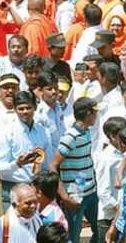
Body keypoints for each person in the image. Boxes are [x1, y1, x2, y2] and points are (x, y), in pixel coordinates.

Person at [50, 97, 100, 243]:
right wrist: (65, 196)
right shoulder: (69, 137)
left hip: (90, 191)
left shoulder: (86, 132)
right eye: (94, 113)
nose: (96, 116)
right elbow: (53, 165)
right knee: (74, 236)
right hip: (75, 196)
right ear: (88, 114)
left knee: (97, 231)